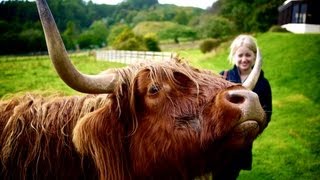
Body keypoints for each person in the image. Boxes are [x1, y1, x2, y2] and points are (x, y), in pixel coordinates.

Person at [217, 34, 272, 179]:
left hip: (243, 143)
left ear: (254, 56)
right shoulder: (223, 77)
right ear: (233, 56)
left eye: (248, 55)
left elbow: (267, 113)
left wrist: (252, 132)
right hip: (221, 141)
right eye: (240, 55)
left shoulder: (263, 83)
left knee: (232, 173)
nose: (244, 59)